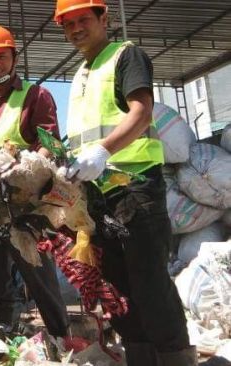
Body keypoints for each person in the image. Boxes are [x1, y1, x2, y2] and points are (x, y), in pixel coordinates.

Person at [55, 1, 195, 364]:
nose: (75, 29)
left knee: (149, 284)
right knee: (116, 289)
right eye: (68, 24)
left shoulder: (125, 56)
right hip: (99, 195)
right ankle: (140, 357)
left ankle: (175, 357)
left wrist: (102, 151)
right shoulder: (81, 75)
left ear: (105, 18)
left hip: (135, 189)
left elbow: (141, 111)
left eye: (83, 19)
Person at [0, 24, 70, 342]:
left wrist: (23, 168)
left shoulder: (35, 95)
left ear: (14, 57)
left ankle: (60, 335)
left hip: (23, 203)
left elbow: (51, 144)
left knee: (36, 271)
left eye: (1, 56)